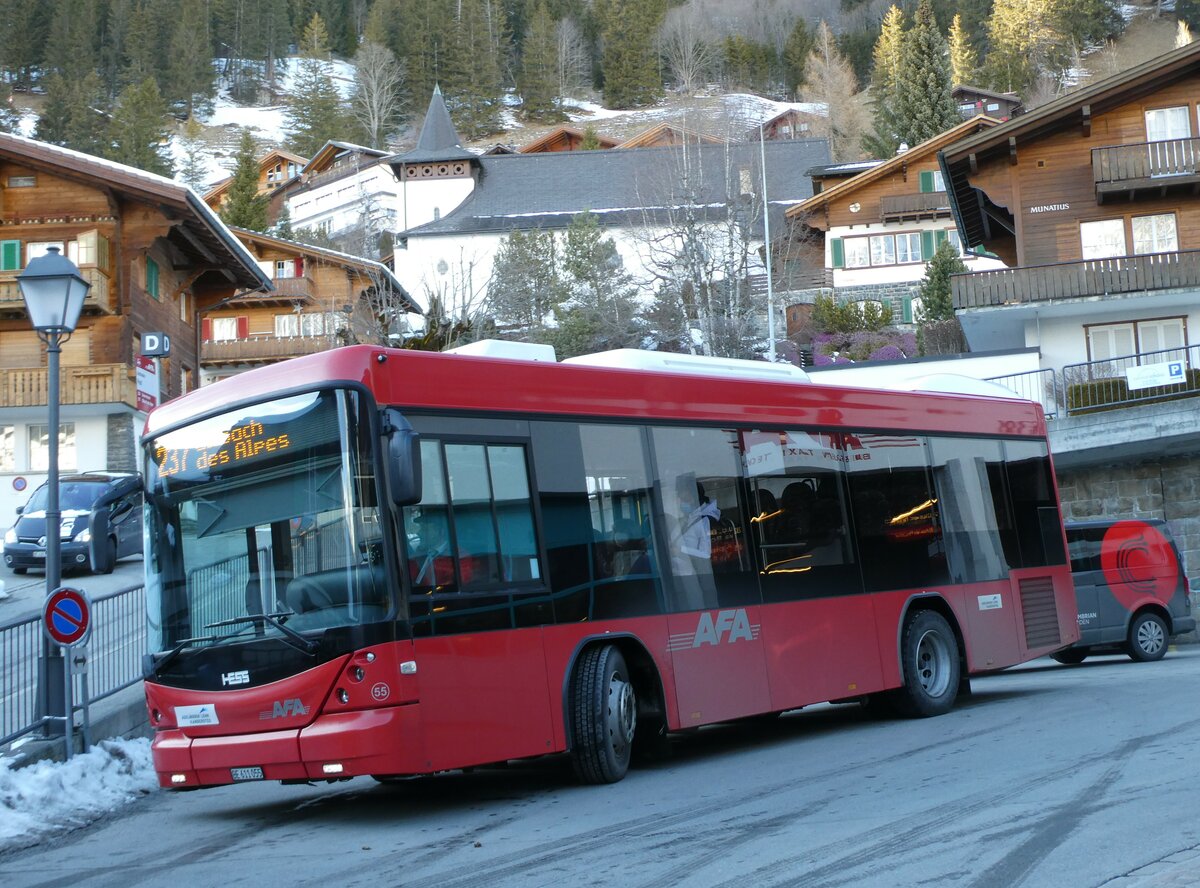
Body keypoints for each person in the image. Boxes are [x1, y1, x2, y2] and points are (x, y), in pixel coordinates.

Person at [672, 479, 721, 610]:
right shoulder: (689, 518)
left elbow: (706, 554)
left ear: (693, 496)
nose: (681, 501)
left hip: (701, 580)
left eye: (684, 497)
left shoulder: (706, 520)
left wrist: (680, 551)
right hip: (688, 578)